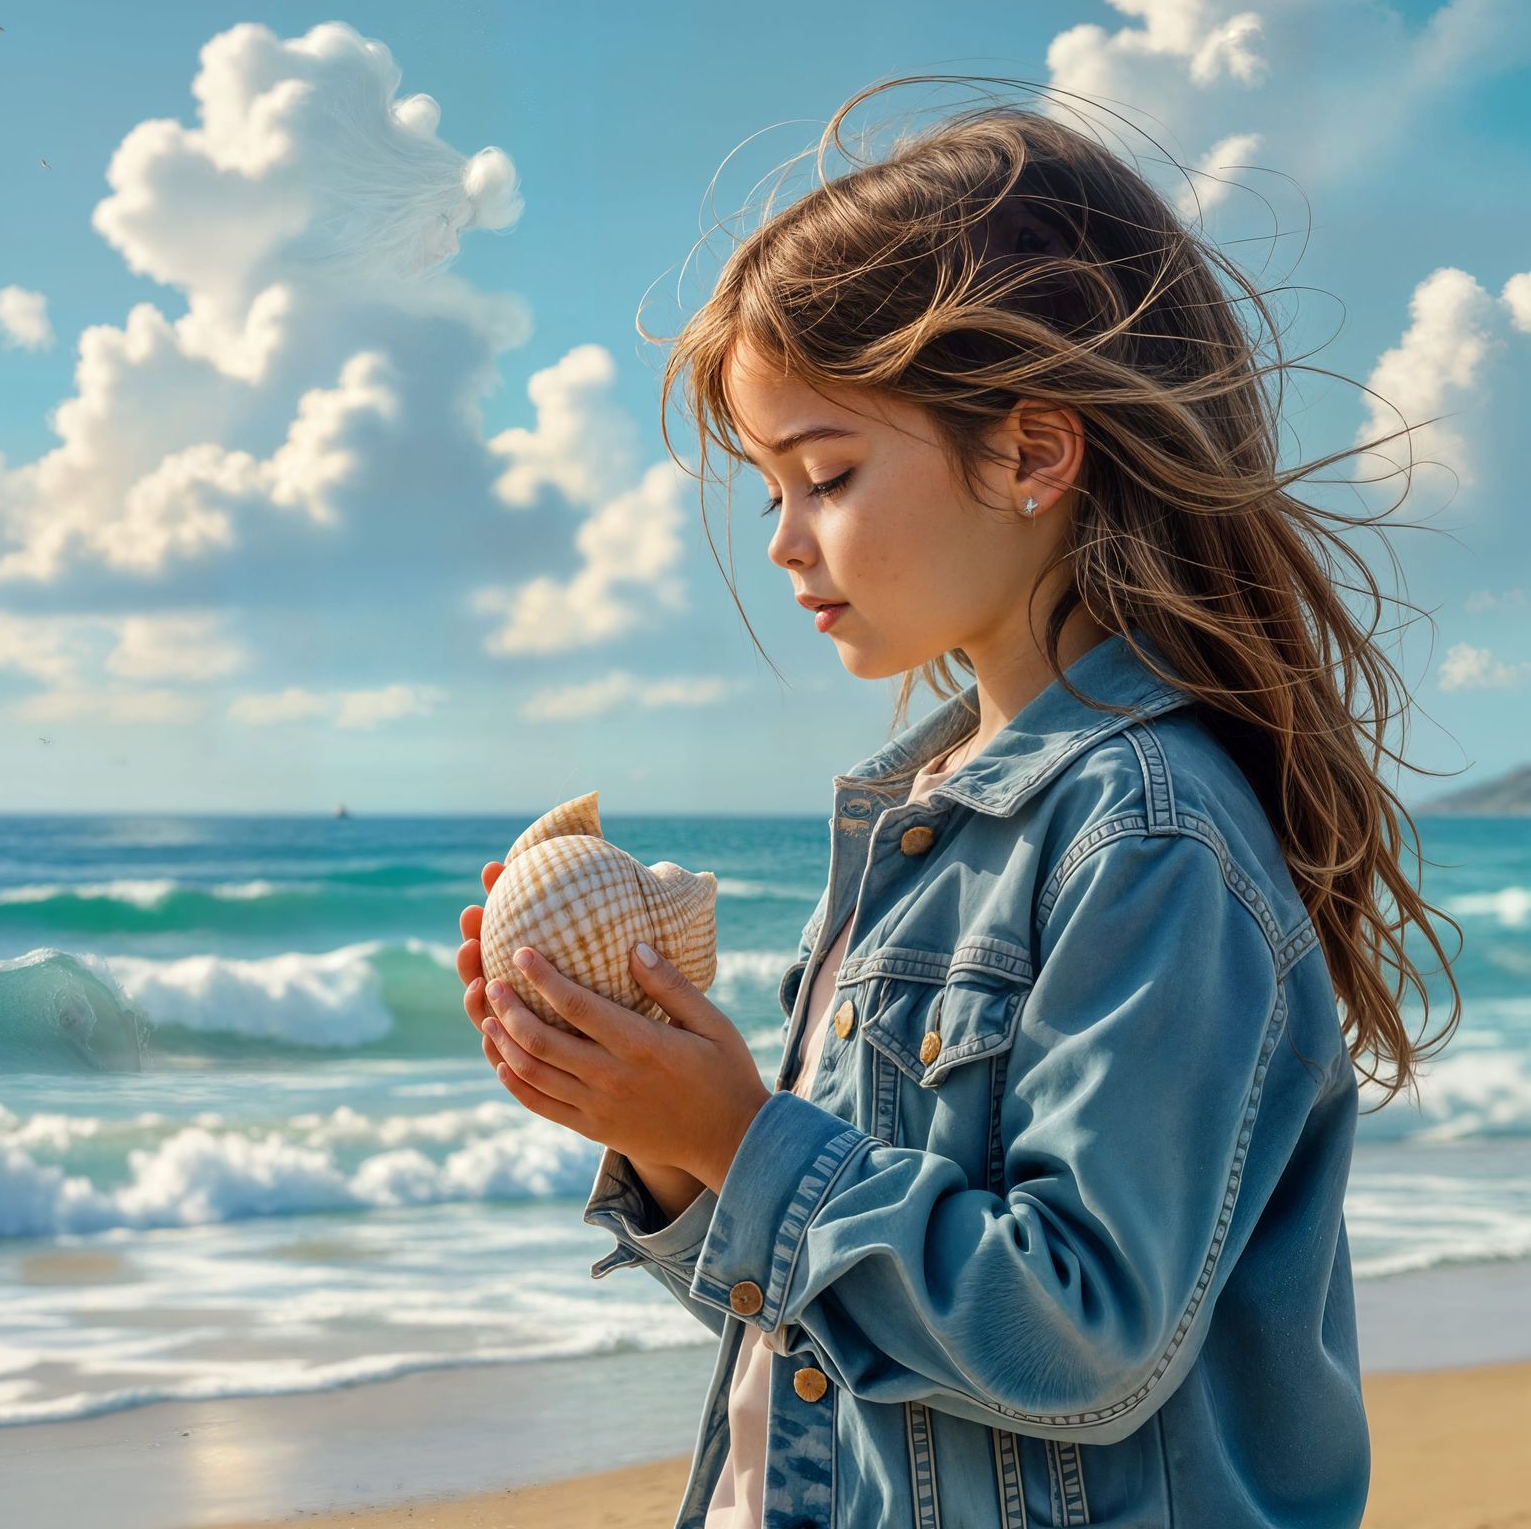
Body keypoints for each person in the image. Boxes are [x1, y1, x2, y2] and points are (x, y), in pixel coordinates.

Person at [456, 80, 1462, 1528]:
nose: (785, 541)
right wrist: (667, 1140)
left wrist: (743, 1140)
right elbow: (849, 1351)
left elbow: (1080, 1337)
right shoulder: (917, 826)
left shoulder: (1148, 835)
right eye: (769, 492)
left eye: (826, 474)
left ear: (1031, 453)